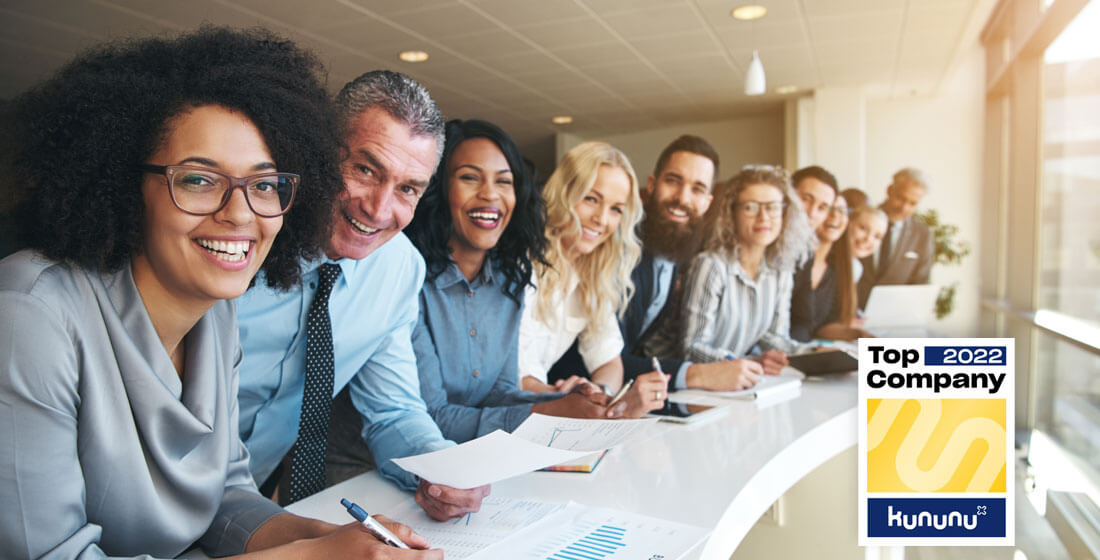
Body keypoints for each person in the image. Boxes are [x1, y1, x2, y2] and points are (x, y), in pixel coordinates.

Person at [0, 27, 437, 558]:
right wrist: (306, 557)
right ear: (122, 181)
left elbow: (224, 497)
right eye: (198, 180)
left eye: (262, 184)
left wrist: (327, 538)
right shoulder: (28, 313)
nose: (239, 213)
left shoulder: (213, 314)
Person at [235, 70, 487, 521]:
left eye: (408, 188)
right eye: (366, 170)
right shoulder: (240, 237)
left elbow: (393, 411)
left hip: (243, 509)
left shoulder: (398, 269)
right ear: (320, 151)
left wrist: (439, 467)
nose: (378, 209)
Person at [405, 119, 613, 443]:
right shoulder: (411, 281)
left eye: (504, 182)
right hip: (375, 471)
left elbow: (499, 393)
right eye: (470, 178)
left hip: (465, 462)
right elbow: (431, 416)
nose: (490, 194)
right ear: (440, 188)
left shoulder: (509, 283)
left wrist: (571, 402)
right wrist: (545, 413)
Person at [548, 135, 764, 392]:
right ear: (652, 184)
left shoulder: (676, 252)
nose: (682, 198)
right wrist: (696, 374)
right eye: (673, 181)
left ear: (708, 202)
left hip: (603, 394)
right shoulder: (610, 248)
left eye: (697, 189)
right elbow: (598, 358)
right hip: (558, 389)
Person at [517, 141, 668, 417]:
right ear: (565, 193)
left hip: (541, 413)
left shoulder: (592, 274)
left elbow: (610, 363)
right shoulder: (519, 263)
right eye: (591, 199)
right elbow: (512, 376)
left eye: (616, 209)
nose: (601, 219)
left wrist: (601, 392)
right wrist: (569, 396)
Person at [645, 165, 816, 371]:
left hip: (731, 381)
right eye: (751, 207)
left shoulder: (781, 270)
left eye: (772, 207)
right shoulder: (710, 266)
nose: (764, 217)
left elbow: (773, 337)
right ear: (732, 213)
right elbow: (692, 348)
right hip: (673, 381)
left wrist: (813, 352)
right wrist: (744, 363)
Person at [857, 168, 934, 307]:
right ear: (889, 190)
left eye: (913, 203)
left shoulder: (922, 234)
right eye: (901, 198)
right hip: (851, 311)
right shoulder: (859, 220)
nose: (904, 208)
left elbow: (921, 284)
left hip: (895, 314)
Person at [789, 165, 847, 341]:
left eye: (822, 207)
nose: (811, 213)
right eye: (805, 199)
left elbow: (802, 323)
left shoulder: (805, 256)